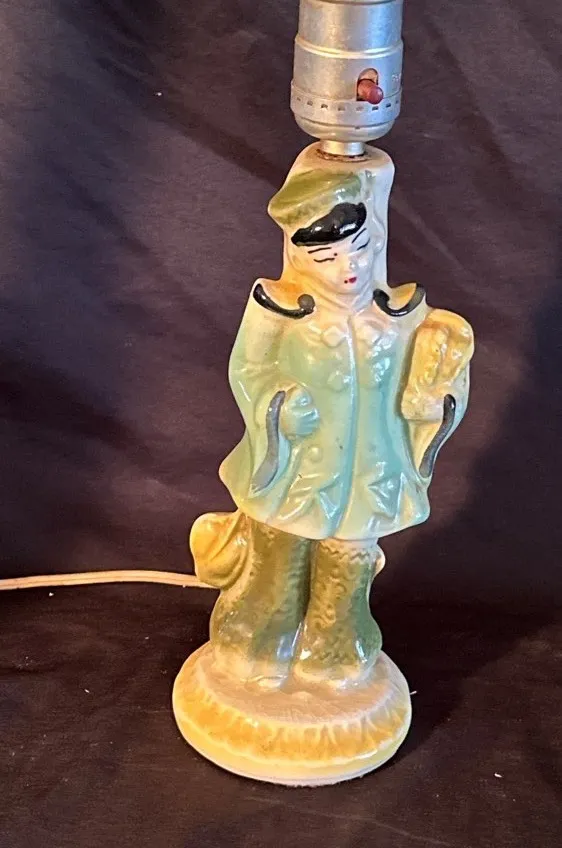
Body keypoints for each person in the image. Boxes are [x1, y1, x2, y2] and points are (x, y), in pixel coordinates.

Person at [191, 155, 474, 690]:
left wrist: (435, 403)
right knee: (280, 558)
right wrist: (278, 404)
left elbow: (438, 371)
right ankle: (258, 642)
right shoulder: (280, 308)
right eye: (327, 258)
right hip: (301, 470)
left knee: (350, 563)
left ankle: (333, 650)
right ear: (300, 258)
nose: (349, 268)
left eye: (360, 249)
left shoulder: (399, 312)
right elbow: (248, 369)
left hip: (371, 470)